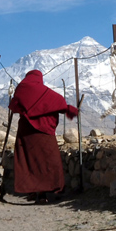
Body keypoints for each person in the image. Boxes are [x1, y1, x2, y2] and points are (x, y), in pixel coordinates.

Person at [9, 70, 78, 203]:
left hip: (26, 133)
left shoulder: (22, 89)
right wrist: (69, 109)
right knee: (47, 162)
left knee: (28, 162)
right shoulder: (46, 93)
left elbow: (14, 105)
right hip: (45, 133)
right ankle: (43, 194)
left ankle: (32, 191)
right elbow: (59, 102)